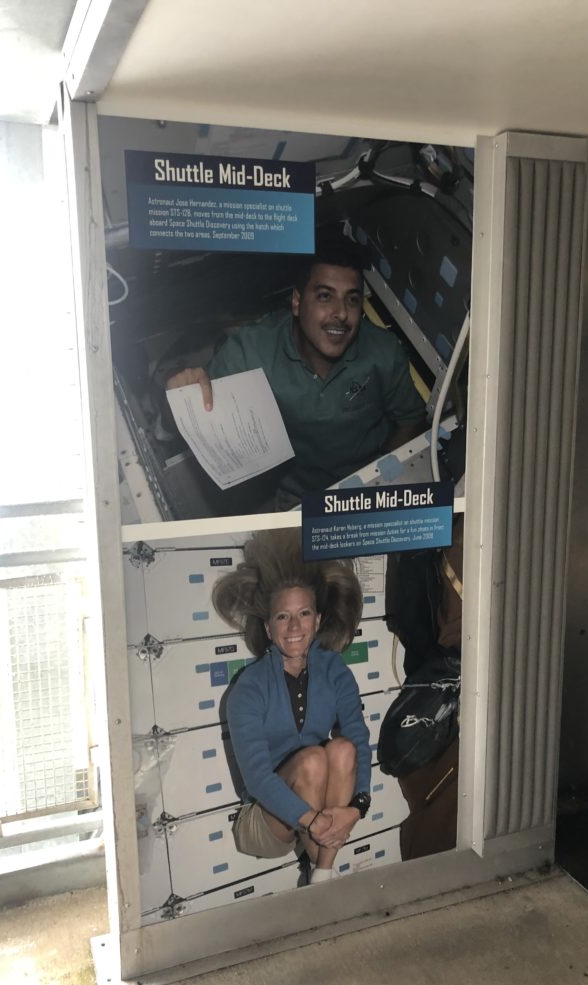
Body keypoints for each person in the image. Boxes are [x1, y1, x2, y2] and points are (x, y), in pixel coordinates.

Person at [166, 238, 427, 505]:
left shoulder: (383, 351)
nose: (341, 313)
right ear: (296, 303)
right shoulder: (253, 349)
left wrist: (381, 477)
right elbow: (198, 404)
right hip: (297, 497)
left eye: (352, 299)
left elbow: (411, 419)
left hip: (367, 485)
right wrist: (180, 393)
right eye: (325, 296)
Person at [213, 529, 372, 884]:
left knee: (344, 748)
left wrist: (358, 807)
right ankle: (325, 874)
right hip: (265, 816)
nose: (295, 626)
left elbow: (359, 740)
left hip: (316, 811)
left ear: (317, 620)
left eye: (303, 613)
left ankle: (322, 877)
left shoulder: (335, 671)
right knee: (314, 760)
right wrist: (313, 822)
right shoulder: (249, 688)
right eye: (283, 617)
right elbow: (257, 778)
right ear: (269, 628)